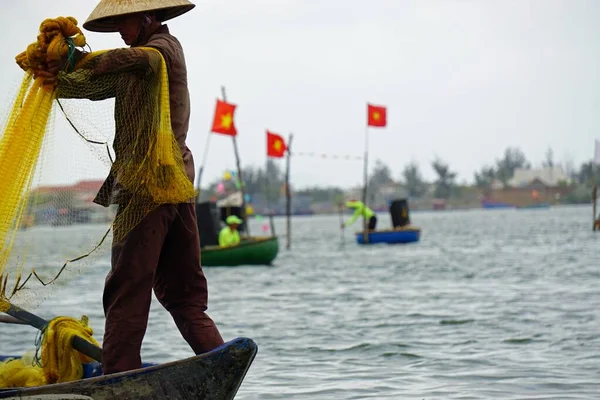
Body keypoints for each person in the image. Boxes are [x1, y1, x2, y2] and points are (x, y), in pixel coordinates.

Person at [45, 0, 225, 374]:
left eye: (124, 22)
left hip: (150, 185)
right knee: (181, 292)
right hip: (172, 183)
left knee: (128, 285)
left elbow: (139, 59)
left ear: (147, 17)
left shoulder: (161, 50)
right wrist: (54, 72)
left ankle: (118, 376)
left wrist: (77, 58)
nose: (121, 33)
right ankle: (217, 363)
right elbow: (92, 87)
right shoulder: (134, 64)